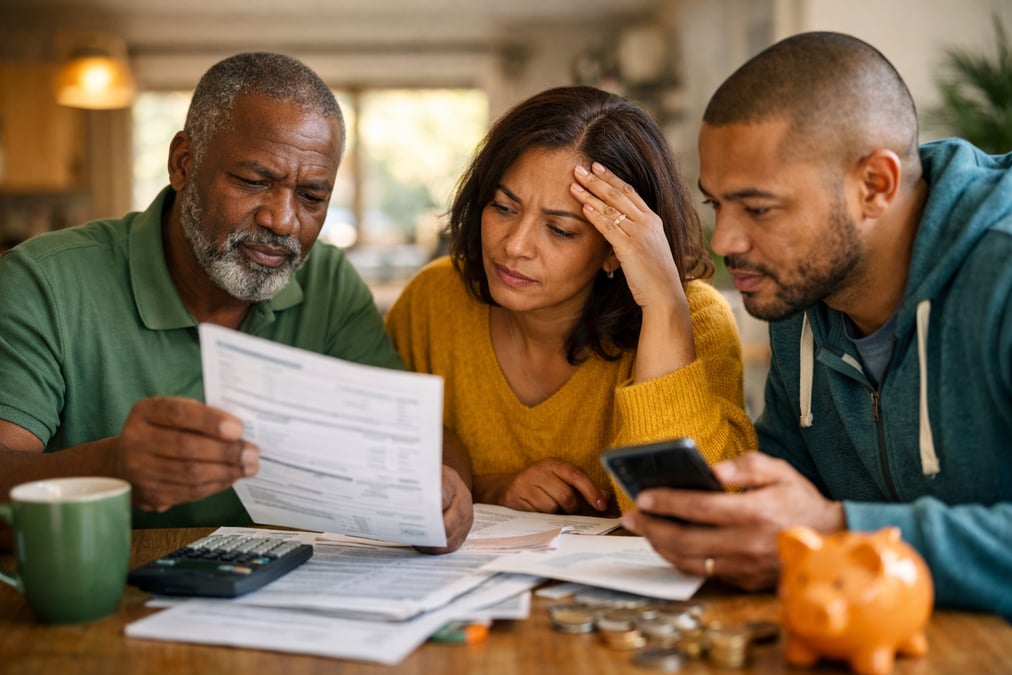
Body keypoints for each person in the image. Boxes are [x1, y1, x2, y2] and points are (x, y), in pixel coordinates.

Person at [0, 52, 472, 553]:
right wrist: (109, 467)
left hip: (284, 594)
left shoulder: (328, 282)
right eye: (253, 182)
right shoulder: (44, 282)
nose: (283, 221)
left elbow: (424, 442)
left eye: (312, 197)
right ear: (183, 163)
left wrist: (443, 498)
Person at [622, 31, 1012, 618]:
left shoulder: (1000, 273)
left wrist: (837, 532)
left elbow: (819, 526)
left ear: (874, 186)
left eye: (758, 208)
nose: (725, 241)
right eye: (716, 204)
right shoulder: (801, 301)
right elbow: (783, 493)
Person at [385, 85, 755, 515]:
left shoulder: (697, 318)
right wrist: (491, 489)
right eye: (503, 208)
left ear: (618, 248)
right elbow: (384, 468)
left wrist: (663, 304)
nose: (515, 246)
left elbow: (701, 516)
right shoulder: (433, 300)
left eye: (560, 230)